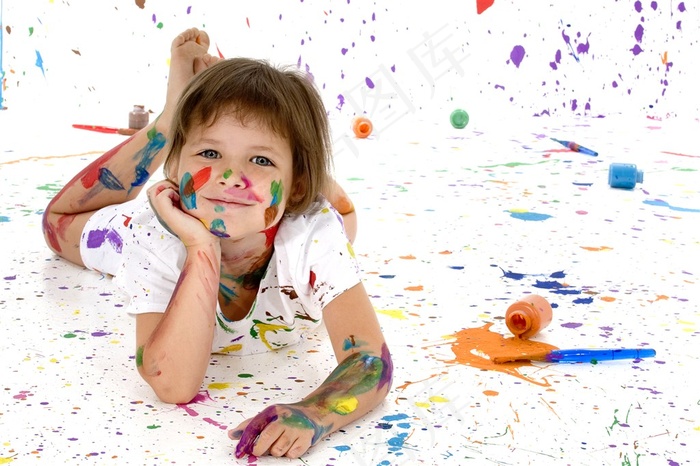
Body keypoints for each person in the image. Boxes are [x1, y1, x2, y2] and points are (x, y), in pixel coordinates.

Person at [42, 27, 392, 459]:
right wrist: (200, 247)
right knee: (56, 225)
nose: (229, 176)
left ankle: (291, 172)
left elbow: (371, 362)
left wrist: (313, 412)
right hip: (169, 223)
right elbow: (173, 385)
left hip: (296, 211)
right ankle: (172, 119)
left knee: (341, 219)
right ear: (175, 168)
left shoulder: (314, 231)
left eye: (260, 159)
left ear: (295, 186)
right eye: (208, 154)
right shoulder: (151, 233)